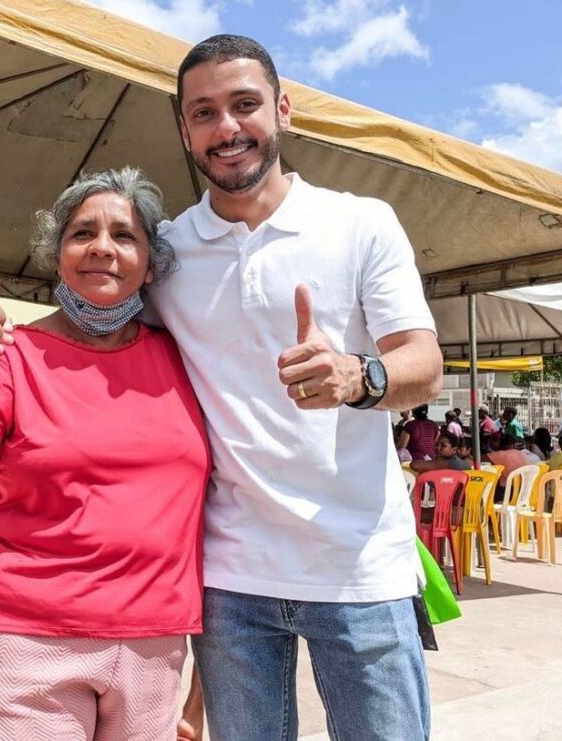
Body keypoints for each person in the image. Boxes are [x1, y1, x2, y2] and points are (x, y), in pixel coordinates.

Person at [151, 34, 443, 740]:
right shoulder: (164, 251)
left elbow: (424, 361)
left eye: (245, 104)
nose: (227, 128)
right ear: (185, 129)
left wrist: (358, 375)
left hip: (360, 567)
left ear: (282, 109)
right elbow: (93, 316)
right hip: (231, 575)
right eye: (204, 113)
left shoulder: (361, 222)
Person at [0, 168, 210, 739]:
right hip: (20, 642)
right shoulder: (12, 352)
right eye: (82, 233)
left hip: (152, 648)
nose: (102, 247)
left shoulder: (186, 360)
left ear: (151, 265)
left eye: (124, 235)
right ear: (58, 255)